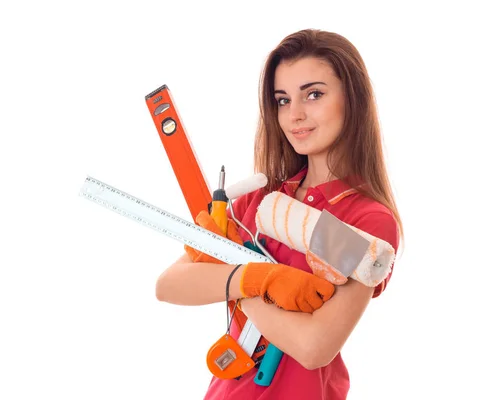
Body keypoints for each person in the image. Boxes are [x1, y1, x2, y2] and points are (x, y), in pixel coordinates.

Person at [155, 28, 403, 399]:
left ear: (353, 99)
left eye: (313, 94)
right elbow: (169, 284)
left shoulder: (368, 220)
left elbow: (314, 348)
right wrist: (256, 279)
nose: (295, 115)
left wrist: (240, 282)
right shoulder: (259, 200)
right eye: (283, 100)